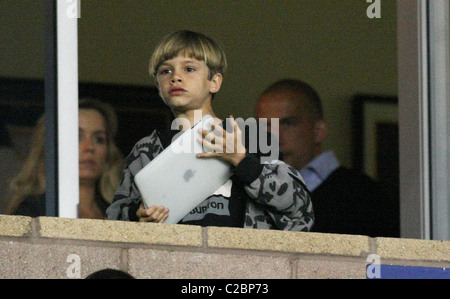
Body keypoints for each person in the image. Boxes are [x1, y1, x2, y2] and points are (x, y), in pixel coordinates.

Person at [106, 30, 314, 231]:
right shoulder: (146, 150)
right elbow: (112, 221)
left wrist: (243, 162)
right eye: (165, 71)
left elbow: (300, 211)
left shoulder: (251, 137)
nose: (175, 77)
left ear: (214, 82)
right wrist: (138, 215)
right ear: (158, 86)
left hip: (244, 261)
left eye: (189, 69)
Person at [255, 79, 399, 237]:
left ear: (318, 131)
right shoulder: (251, 192)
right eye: (265, 127)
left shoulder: (367, 198)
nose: (274, 137)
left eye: (288, 124)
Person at [6, 98, 124, 219]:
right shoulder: (33, 210)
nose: (89, 147)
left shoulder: (118, 213)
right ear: (51, 147)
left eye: (99, 139)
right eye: (77, 137)